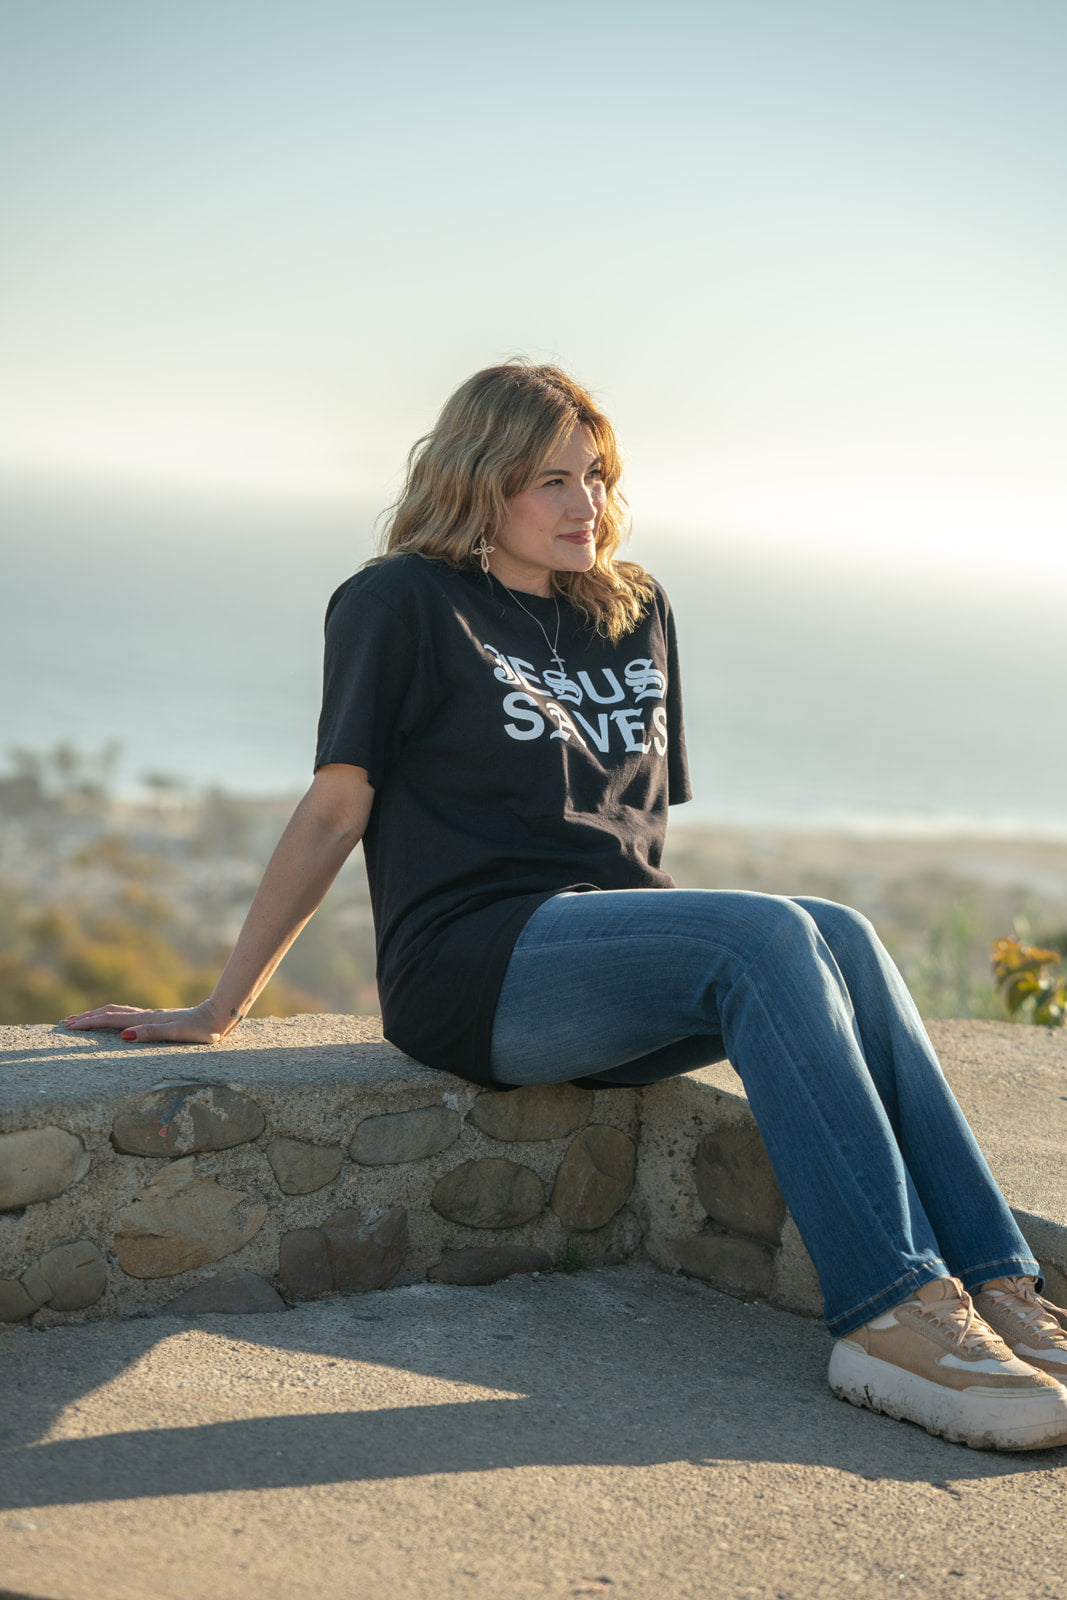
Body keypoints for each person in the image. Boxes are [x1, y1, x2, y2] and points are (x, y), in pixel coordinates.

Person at [67, 361, 1067, 1452]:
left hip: (608, 970)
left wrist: (666, 953)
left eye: (594, 476)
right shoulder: (399, 601)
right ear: (478, 482)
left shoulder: (633, 609)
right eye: (550, 480)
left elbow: (632, 830)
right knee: (768, 930)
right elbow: (333, 808)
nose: (583, 503)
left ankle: (995, 1285)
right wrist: (222, 1006)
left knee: (840, 929)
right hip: (477, 964)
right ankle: (887, 1313)